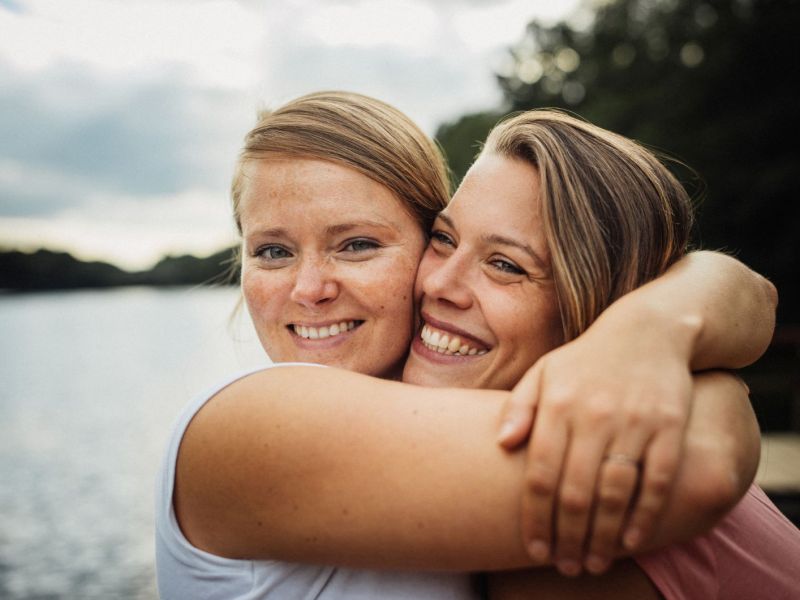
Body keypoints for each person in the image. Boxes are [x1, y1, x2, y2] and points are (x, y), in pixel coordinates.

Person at [155, 92, 778, 599]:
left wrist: (655, 331)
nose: (309, 288)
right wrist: (678, 352)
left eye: (358, 245)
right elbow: (699, 465)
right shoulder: (250, 421)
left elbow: (751, 296)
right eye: (271, 251)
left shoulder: (476, 424)